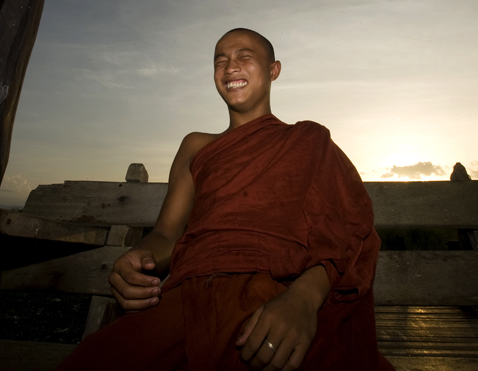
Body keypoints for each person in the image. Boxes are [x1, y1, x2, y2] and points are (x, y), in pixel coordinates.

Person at [56, 29, 393, 371]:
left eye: (244, 57)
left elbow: (350, 228)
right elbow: (167, 236)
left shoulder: (308, 140)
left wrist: (304, 299)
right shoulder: (196, 146)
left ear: (274, 69)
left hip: (279, 292)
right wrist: (138, 258)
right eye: (220, 61)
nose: (230, 67)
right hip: (190, 294)